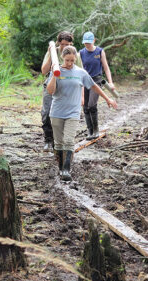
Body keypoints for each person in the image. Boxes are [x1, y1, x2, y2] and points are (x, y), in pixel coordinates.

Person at [47, 46, 117, 181]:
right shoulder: (56, 70)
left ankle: (66, 170)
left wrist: (107, 98)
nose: (69, 63)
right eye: (67, 60)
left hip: (73, 113)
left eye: (72, 61)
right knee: (59, 143)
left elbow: (94, 86)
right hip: (56, 112)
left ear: (75, 59)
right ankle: (61, 168)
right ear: (62, 57)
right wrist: (54, 76)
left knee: (68, 141)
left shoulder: (80, 72)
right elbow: (50, 91)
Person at [41, 31, 83, 152]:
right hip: (52, 84)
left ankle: (62, 140)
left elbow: (81, 75)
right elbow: (44, 71)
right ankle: (48, 140)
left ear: (72, 44)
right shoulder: (53, 51)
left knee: (65, 114)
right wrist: (50, 53)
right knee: (47, 112)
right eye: (63, 44)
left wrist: (81, 95)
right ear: (59, 43)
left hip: (68, 87)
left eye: (68, 44)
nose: (65, 47)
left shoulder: (76, 55)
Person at [79, 32, 115, 140]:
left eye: (89, 43)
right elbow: (80, 70)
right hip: (85, 80)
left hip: (97, 80)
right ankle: (90, 132)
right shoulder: (81, 53)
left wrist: (111, 82)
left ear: (94, 41)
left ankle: (96, 130)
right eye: (85, 43)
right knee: (85, 106)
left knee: (91, 105)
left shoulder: (99, 51)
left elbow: (106, 68)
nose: (87, 45)